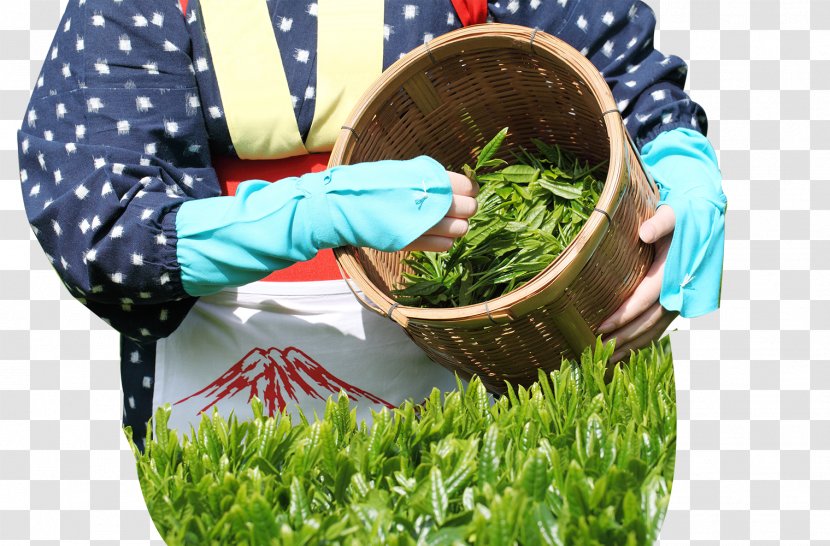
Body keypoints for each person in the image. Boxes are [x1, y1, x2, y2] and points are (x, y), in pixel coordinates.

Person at [18, 0, 725, 452]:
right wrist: (313, 212)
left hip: (481, 381)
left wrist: (676, 164)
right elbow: (107, 238)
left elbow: (617, 74)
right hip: (222, 402)